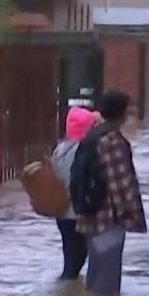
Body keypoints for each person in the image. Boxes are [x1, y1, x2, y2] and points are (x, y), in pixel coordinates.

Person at [74, 90, 147, 296]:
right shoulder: (113, 141)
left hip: (89, 214)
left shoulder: (91, 135)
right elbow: (121, 185)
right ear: (122, 113)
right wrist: (132, 216)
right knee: (107, 286)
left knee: (95, 276)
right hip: (108, 218)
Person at [50, 106, 98, 280]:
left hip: (61, 210)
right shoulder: (86, 150)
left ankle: (67, 284)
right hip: (78, 210)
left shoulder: (60, 149)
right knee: (81, 252)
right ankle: (71, 287)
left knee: (69, 251)